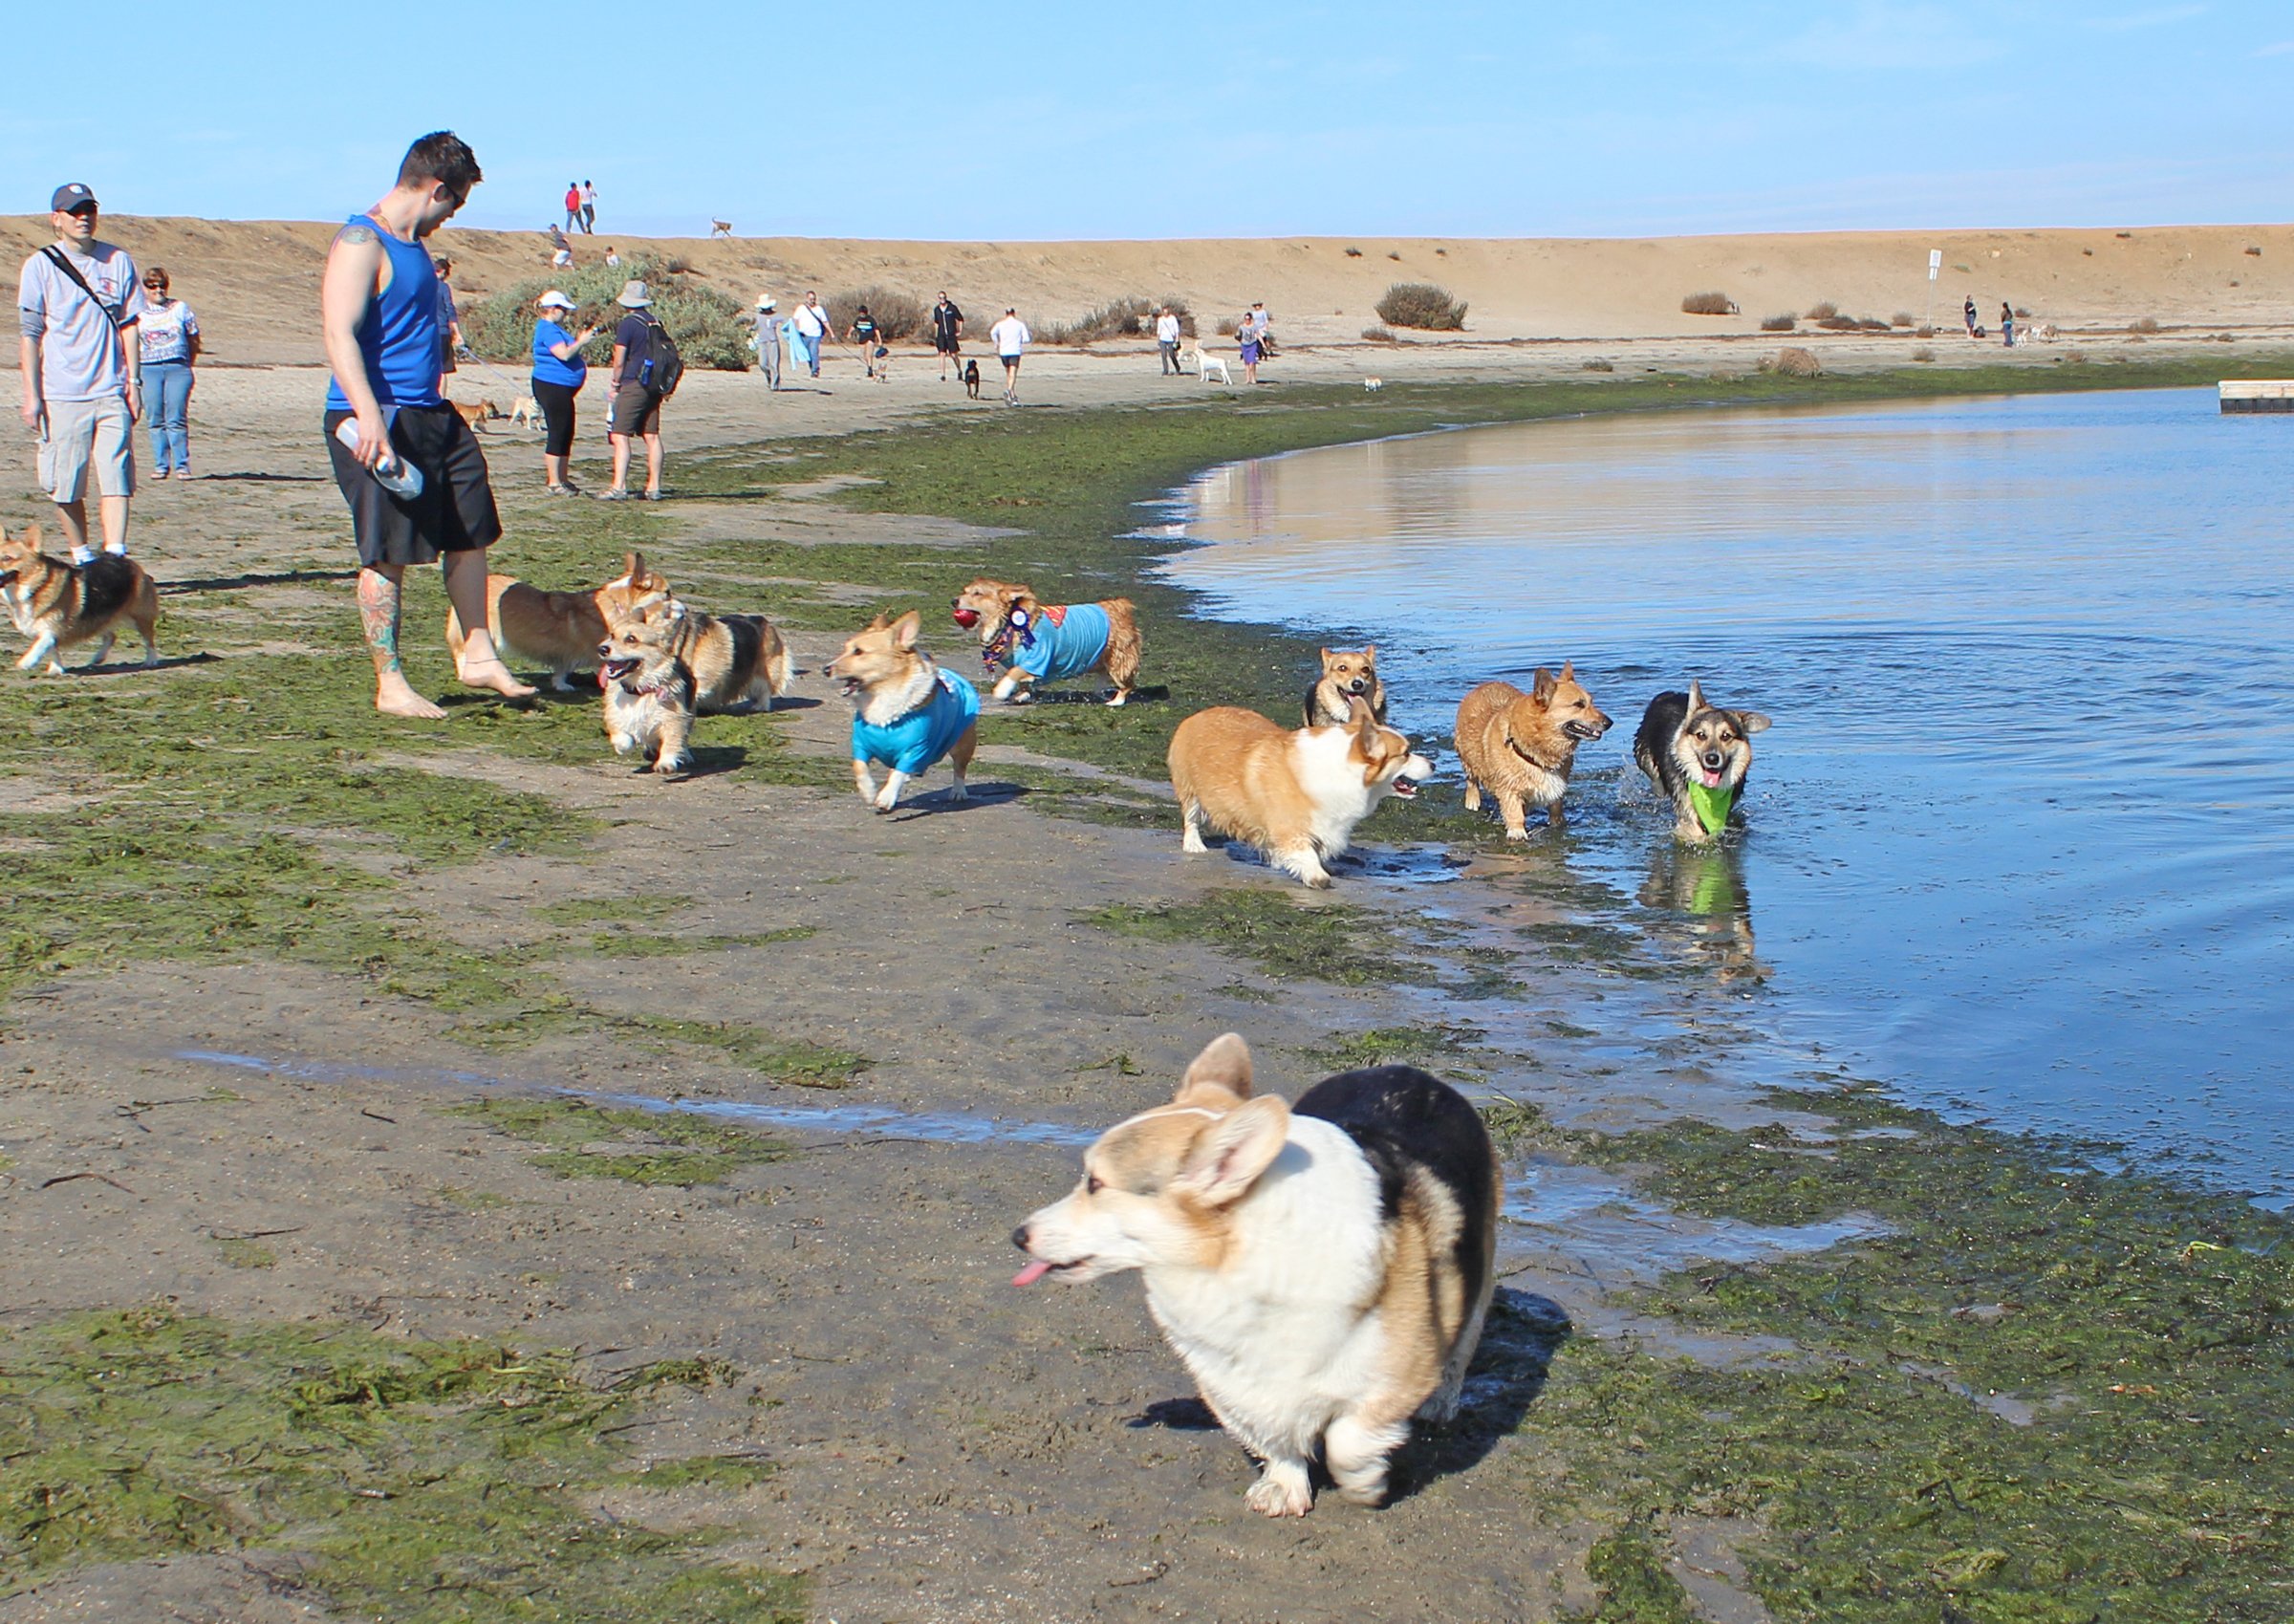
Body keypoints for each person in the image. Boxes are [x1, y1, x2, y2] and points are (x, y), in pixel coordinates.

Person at [320, 131, 533, 718]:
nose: (451, 217)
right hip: (375, 416)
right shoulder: (363, 239)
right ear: (437, 188)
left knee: (470, 529)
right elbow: (339, 333)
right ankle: (390, 682)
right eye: (454, 203)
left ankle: (480, 654)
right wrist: (368, 418)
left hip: (431, 413)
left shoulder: (414, 246)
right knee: (387, 550)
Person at [18, 183, 146, 565]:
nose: (83, 217)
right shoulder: (40, 265)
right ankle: (83, 557)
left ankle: (115, 559)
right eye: (74, 212)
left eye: (89, 209)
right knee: (65, 483)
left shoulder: (118, 261)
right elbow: (30, 335)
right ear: (56, 219)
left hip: (111, 390)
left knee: (116, 477)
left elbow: (130, 325)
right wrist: (32, 395)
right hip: (62, 393)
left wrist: (134, 382)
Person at [602, 279, 667, 501]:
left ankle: (618, 486)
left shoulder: (628, 324)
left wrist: (615, 383)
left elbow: (619, 360)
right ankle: (654, 487)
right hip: (654, 385)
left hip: (634, 383)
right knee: (652, 435)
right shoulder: (655, 322)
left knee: (619, 435)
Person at [530, 290, 595, 494]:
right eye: (562, 309)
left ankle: (563, 479)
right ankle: (554, 482)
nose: (565, 314)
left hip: (560, 385)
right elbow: (564, 354)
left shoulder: (552, 329)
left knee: (566, 430)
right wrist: (582, 342)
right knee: (558, 431)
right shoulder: (548, 329)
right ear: (551, 309)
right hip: (551, 384)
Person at [138, 266, 199, 480]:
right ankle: (161, 465)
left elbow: (193, 337)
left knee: (176, 418)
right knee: (155, 417)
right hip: (149, 369)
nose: (158, 290)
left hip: (177, 368)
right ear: (144, 288)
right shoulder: (138, 312)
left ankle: (182, 465)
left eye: (162, 285)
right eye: (152, 286)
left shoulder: (180, 308)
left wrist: (187, 363)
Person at [989, 307, 1028, 404]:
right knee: (1013, 374)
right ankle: (1009, 390)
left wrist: (996, 343)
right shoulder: (1020, 324)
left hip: (1004, 351)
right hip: (1015, 351)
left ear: (1006, 313)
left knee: (1008, 374)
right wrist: (1020, 340)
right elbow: (1026, 339)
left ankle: (1012, 396)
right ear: (1014, 313)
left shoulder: (1000, 324)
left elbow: (992, 332)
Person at [432, 254, 462, 379]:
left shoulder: (421, 284)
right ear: (443, 271)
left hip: (422, 331)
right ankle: (440, 398)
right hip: (441, 330)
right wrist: (457, 333)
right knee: (443, 370)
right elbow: (449, 308)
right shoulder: (443, 287)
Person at [791, 292, 830, 378]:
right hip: (804, 335)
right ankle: (812, 368)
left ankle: (815, 370)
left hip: (816, 334)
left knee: (814, 352)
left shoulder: (819, 309)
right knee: (808, 354)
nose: (812, 301)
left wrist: (831, 333)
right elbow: (795, 320)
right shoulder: (801, 308)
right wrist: (794, 331)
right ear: (806, 299)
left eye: (814, 299)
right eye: (811, 299)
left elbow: (825, 322)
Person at [931, 291, 964, 381]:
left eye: (944, 297)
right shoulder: (937, 309)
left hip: (951, 335)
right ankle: (942, 375)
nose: (943, 299)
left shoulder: (952, 308)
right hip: (941, 335)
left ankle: (959, 370)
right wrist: (936, 334)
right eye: (941, 298)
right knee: (942, 354)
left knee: (953, 355)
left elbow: (960, 319)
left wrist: (959, 331)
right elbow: (936, 323)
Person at [752, 295, 782, 390]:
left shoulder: (776, 315)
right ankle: (770, 379)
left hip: (773, 341)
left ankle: (775, 385)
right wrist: (750, 328)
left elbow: (786, 323)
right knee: (763, 364)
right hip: (762, 342)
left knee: (774, 364)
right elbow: (756, 325)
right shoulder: (759, 315)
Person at [847, 304, 881, 379]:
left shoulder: (871, 319)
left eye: (863, 313)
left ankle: (870, 369)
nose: (862, 314)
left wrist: (879, 340)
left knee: (869, 355)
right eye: (861, 313)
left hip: (870, 339)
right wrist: (849, 333)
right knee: (864, 355)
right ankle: (869, 367)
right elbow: (853, 326)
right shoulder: (858, 319)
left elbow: (876, 329)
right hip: (862, 340)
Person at [1155, 305, 1182, 376]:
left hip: (1171, 339)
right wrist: (1157, 339)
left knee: (1172, 354)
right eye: (1164, 312)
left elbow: (1176, 329)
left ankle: (1177, 367)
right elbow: (1159, 329)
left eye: (1167, 312)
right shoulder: (1160, 319)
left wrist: (1177, 339)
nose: (1166, 313)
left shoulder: (1173, 318)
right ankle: (1165, 370)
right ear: (1162, 313)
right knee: (1163, 355)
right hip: (1163, 339)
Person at [1238, 311, 1263, 384]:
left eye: (1248, 319)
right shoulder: (1241, 327)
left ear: (1251, 319)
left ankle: (1253, 378)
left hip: (1253, 344)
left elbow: (1258, 335)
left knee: (1252, 362)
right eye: (1245, 319)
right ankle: (1248, 379)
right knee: (1246, 363)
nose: (1247, 320)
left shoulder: (1254, 326)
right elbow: (1238, 335)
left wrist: (1263, 344)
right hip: (1244, 345)